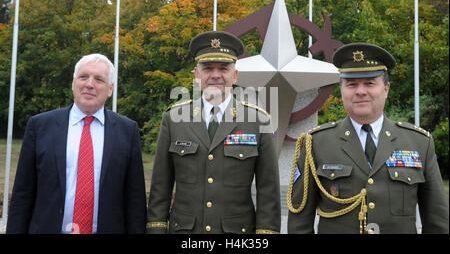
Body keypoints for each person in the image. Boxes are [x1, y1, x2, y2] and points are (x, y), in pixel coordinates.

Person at [287, 43, 449, 234]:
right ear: (341, 89)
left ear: (386, 89)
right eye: (352, 84)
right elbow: (299, 224)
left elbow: (437, 222)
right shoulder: (315, 143)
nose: (360, 91)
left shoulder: (420, 143)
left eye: (370, 83)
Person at [146, 31, 281, 234]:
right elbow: (160, 186)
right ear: (196, 75)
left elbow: (268, 190)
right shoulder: (174, 119)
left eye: (223, 69)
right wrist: (156, 229)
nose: (215, 75)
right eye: (208, 68)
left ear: (234, 76)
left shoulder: (257, 120)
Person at [6, 53, 147, 234]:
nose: (89, 84)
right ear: (73, 83)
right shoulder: (40, 126)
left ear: (110, 89)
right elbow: (22, 194)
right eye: (83, 77)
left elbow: (135, 199)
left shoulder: (127, 130)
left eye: (99, 79)